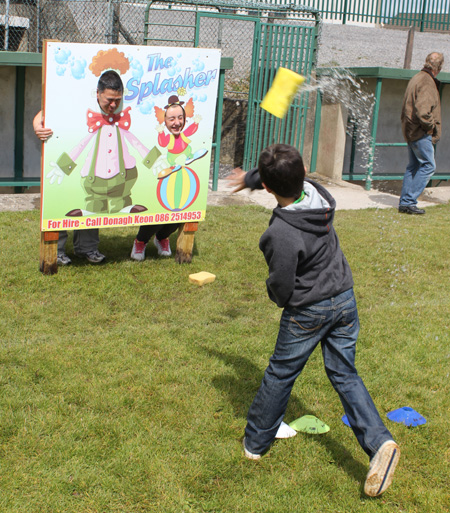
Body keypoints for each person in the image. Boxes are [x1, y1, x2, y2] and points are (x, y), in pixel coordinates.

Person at [228, 144, 400, 497]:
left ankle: (255, 444)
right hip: (345, 299)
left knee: (281, 371)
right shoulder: (319, 195)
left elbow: (281, 282)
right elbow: (286, 176)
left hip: (309, 309)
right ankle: (380, 442)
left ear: (268, 189)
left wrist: (278, 299)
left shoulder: (281, 233)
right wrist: (251, 178)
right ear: (304, 173)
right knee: (345, 373)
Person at [33, 112, 104, 265]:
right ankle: (55, 251)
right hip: (65, 144)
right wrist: (38, 126)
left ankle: (87, 247)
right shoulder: (64, 90)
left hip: (93, 152)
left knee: (91, 200)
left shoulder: (102, 96)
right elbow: (45, 110)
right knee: (58, 199)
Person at [399, 51, 444, 215]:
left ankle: (405, 203)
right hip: (419, 131)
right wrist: (430, 128)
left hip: (410, 130)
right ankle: (409, 201)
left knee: (413, 166)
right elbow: (422, 111)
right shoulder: (426, 81)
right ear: (439, 67)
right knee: (428, 166)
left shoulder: (417, 77)